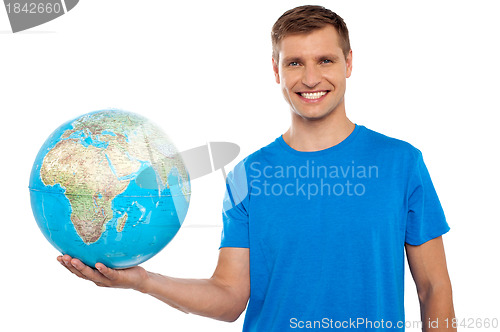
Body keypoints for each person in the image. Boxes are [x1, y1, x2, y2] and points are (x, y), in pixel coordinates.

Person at [58, 5, 456, 331]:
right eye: (295, 62)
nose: (311, 77)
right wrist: (144, 282)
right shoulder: (248, 175)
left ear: (349, 63)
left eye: (326, 60)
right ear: (275, 70)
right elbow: (230, 297)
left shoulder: (401, 163)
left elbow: (433, 288)